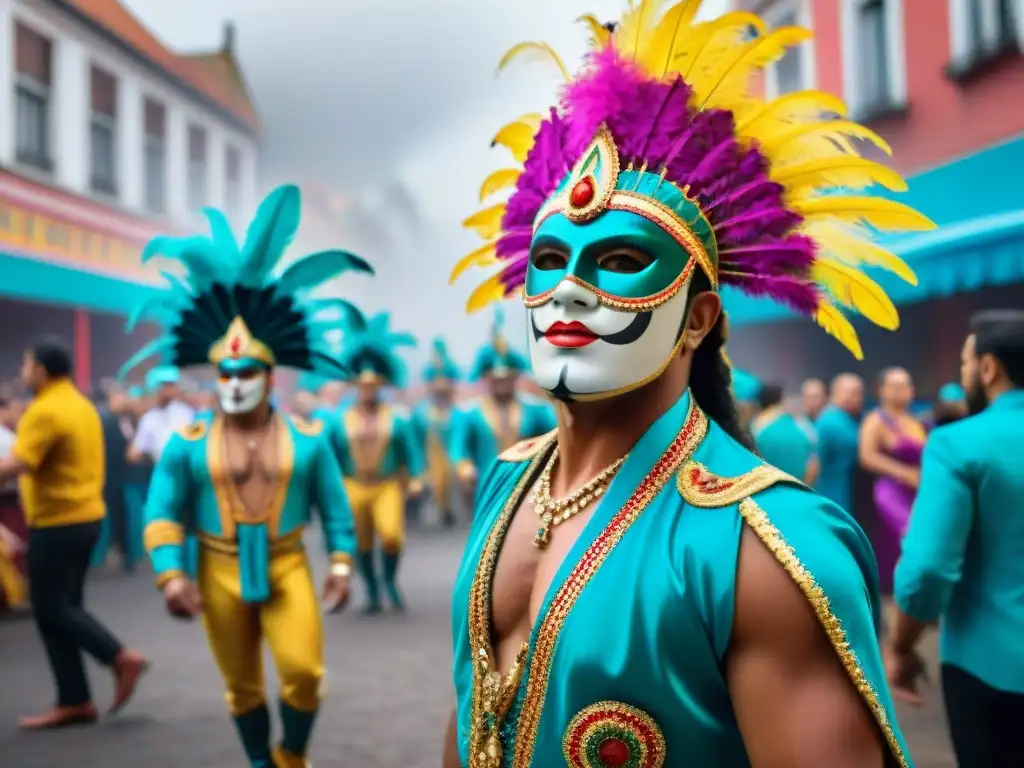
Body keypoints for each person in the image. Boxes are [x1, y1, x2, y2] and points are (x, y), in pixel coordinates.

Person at [444, 3, 932, 765]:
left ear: (699, 318)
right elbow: (473, 710)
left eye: (618, 261)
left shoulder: (765, 547)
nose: (568, 291)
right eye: (548, 262)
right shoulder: (507, 484)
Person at [127, 185, 369, 768]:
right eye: (224, 372)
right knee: (240, 687)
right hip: (218, 568)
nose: (233, 382)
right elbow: (161, 512)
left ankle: (292, 753)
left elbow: (336, 513)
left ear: (270, 374)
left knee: (304, 674)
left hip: (287, 563)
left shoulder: (309, 442)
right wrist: (169, 573)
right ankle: (262, 763)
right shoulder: (187, 446)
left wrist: (339, 564)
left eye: (246, 371)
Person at [887, 311, 1024, 767]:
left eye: (966, 363)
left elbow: (928, 569)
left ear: (988, 368)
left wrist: (902, 647)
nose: (964, 374)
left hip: (995, 673)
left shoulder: (959, 444)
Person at [0, 339, 147, 729]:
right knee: (64, 610)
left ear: (42, 371)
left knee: (51, 608)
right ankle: (75, 699)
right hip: (85, 518)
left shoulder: (45, 410)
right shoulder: (81, 405)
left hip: (56, 522)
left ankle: (118, 656)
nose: (22, 373)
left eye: (26, 365)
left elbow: (18, 463)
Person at [325, 312, 426, 614]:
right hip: (353, 485)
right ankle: (371, 589)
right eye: (362, 385)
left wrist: (417, 476)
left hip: (386, 484)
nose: (368, 390)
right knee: (362, 541)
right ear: (355, 385)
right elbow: (328, 458)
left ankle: (390, 579)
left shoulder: (396, 417)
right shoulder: (338, 420)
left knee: (391, 535)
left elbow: (411, 450)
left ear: (381, 385)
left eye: (373, 385)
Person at [449, 309, 556, 495]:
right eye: (496, 379)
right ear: (486, 379)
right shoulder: (470, 414)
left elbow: (557, 438)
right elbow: (459, 447)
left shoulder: (536, 410)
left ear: (516, 377)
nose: (502, 384)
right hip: (486, 488)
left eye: (507, 378)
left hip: (528, 488)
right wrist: (464, 466)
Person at [859, 367, 926, 595]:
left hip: (916, 492)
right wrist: (903, 472)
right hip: (890, 493)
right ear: (883, 390)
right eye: (895, 386)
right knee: (901, 541)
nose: (902, 391)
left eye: (906, 385)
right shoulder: (876, 419)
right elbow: (867, 456)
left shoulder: (914, 421)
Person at [411, 339, 464, 527]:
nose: (441, 389)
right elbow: (414, 443)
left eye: (446, 386)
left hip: (454, 462)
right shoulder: (420, 414)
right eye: (436, 385)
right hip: (430, 461)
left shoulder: (460, 413)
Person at [90, 386, 141, 572]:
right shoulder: (105, 423)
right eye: (120, 397)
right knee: (112, 520)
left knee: (125, 520)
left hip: (127, 479)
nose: (125, 401)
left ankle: (128, 555)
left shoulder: (132, 421)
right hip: (110, 479)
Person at [814, 373, 865, 513]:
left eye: (860, 393)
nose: (858, 398)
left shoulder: (850, 420)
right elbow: (814, 463)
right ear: (836, 392)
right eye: (853, 393)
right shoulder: (829, 421)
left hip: (848, 497)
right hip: (832, 499)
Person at [750, 383, 817, 485]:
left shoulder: (757, 428)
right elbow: (813, 466)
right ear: (781, 401)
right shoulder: (803, 428)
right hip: (800, 491)